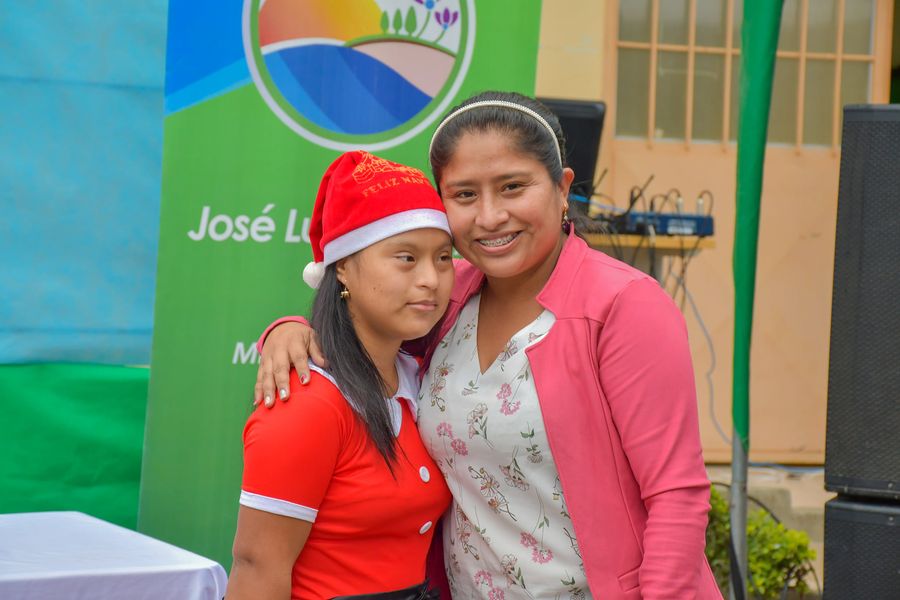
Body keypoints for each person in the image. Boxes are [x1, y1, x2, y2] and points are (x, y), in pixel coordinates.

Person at [254, 92, 723, 599]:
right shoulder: (446, 297)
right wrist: (288, 329)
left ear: (563, 188)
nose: (491, 216)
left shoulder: (624, 306)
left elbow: (676, 496)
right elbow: (359, 315)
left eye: (512, 187)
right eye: (464, 195)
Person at [227, 151, 454, 600]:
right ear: (344, 266)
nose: (431, 278)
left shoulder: (420, 374)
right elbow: (257, 568)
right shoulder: (308, 402)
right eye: (406, 258)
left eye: (444, 257)